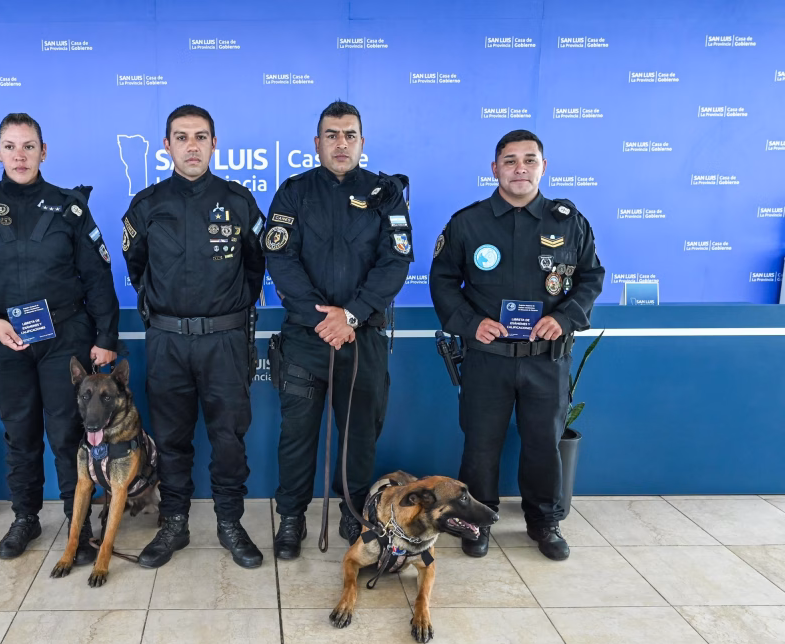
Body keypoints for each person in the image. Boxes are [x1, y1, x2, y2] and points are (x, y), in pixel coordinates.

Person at [0, 113, 119, 562]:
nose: (20, 155)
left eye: (29, 146)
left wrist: (106, 335)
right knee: (19, 432)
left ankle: (80, 525)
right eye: (11, 146)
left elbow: (98, 276)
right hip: (3, 336)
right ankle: (25, 518)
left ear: (44, 151)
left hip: (64, 336)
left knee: (66, 433)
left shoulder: (69, 207)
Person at [429, 129, 604, 561]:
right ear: (495, 169)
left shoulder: (568, 222)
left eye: (529, 160)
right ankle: (477, 522)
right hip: (487, 358)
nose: (519, 168)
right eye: (509, 160)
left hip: (546, 360)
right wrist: (471, 324)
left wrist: (562, 319)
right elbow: (443, 281)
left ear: (543, 167)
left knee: (544, 445)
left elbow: (590, 278)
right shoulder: (468, 222)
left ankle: (544, 523)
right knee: (481, 445)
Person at [263, 100, 413, 560]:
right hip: (306, 339)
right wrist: (321, 319)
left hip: (362, 335)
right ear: (317, 143)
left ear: (362, 142)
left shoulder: (385, 193)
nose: (341, 143)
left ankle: (353, 510)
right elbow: (280, 259)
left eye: (349, 135)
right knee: (297, 435)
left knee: (358, 435)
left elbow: (396, 260)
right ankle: (291, 517)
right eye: (331, 135)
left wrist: (349, 315)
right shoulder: (293, 192)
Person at [122, 104, 266, 569]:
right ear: (167, 146)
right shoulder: (146, 206)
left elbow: (256, 265)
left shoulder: (239, 200)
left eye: (201, 137)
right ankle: (174, 524)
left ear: (214, 144)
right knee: (171, 438)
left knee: (228, 438)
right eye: (181, 137)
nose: (192, 146)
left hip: (225, 340)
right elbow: (136, 267)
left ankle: (229, 523)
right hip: (167, 342)